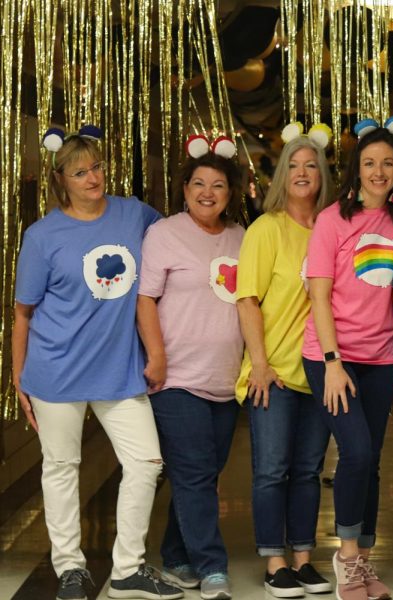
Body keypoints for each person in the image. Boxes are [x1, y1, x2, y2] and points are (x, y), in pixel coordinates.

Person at [12, 128, 182, 600]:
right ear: (60, 178)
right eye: (81, 171)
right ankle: (70, 566)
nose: (93, 177)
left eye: (98, 167)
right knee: (62, 466)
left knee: (146, 463)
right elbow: (23, 313)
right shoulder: (43, 235)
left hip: (119, 369)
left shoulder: (133, 213)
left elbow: (175, 242)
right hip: (55, 371)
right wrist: (18, 379)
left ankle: (128, 568)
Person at [302, 123, 393, 600]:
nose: (379, 171)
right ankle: (347, 559)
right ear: (356, 169)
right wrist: (331, 363)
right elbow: (319, 297)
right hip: (331, 357)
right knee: (358, 453)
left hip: (382, 358)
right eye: (370, 163)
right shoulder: (332, 220)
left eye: (388, 163)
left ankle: (364, 563)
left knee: (372, 464)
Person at [136, 141, 245, 600]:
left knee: (201, 472)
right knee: (196, 471)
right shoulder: (165, 233)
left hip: (225, 379)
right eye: (199, 183)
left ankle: (177, 556)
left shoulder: (242, 235)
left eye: (218, 185)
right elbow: (145, 300)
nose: (207, 192)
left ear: (230, 193)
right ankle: (210, 566)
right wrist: (156, 357)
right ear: (184, 189)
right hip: (177, 377)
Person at [235, 129, 334, 598]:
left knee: (308, 470)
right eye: (293, 166)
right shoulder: (267, 228)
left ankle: (302, 558)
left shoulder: (333, 228)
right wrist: (259, 364)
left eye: (311, 165)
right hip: (271, 372)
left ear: (322, 175)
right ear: (281, 175)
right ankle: (275, 560)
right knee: (272, 469)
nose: (301, 174)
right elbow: (247, 299)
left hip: (318, 372)